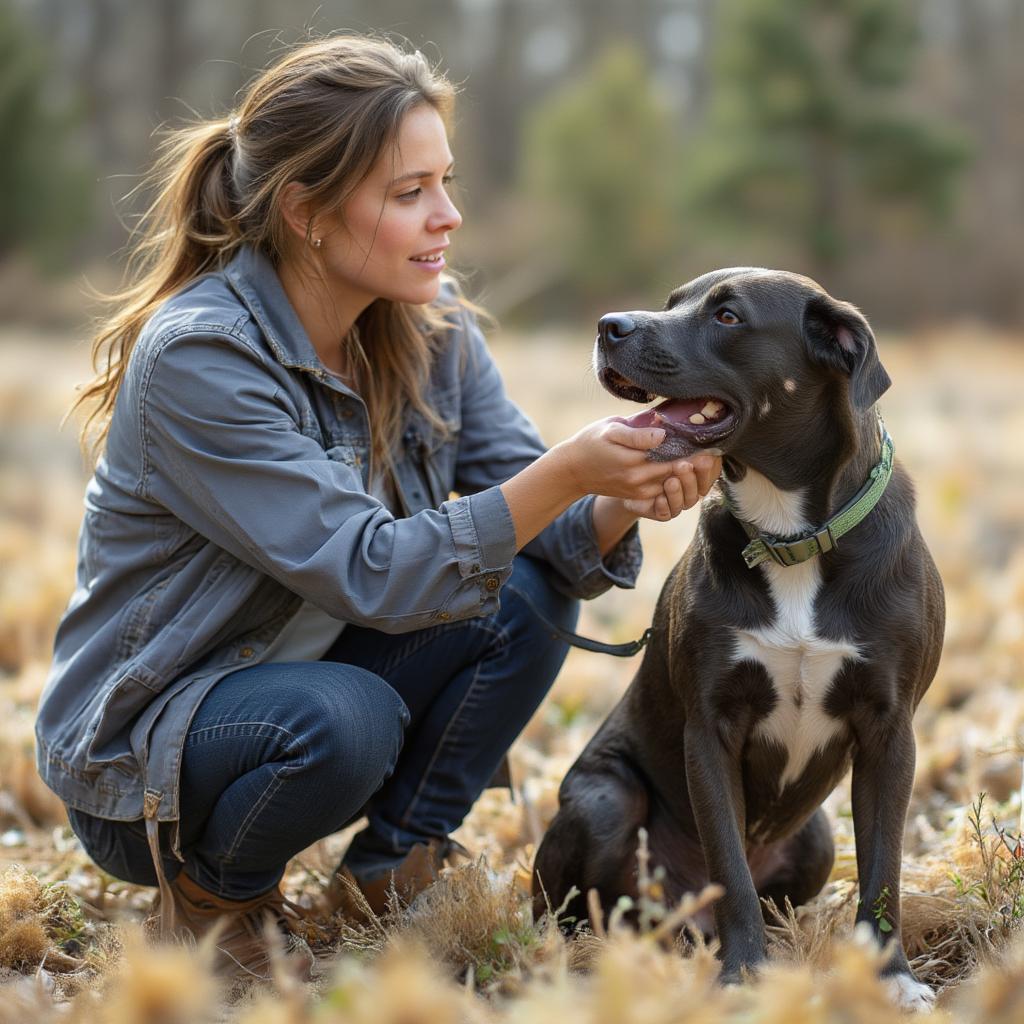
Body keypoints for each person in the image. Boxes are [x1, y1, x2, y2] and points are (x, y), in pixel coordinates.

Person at [36, 34, 721, 977]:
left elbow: (544, 535)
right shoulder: (203, 357)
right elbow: (373, 571)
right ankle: (211, 903)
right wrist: (570, 472)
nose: (450, 216)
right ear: (306, 212)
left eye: (446, 181)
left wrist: (624, 493)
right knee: (343, 716)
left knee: (523, 590)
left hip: (317, 684)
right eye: (410, 193)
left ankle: (396, 862)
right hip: (151, 764)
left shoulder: (434, 334)